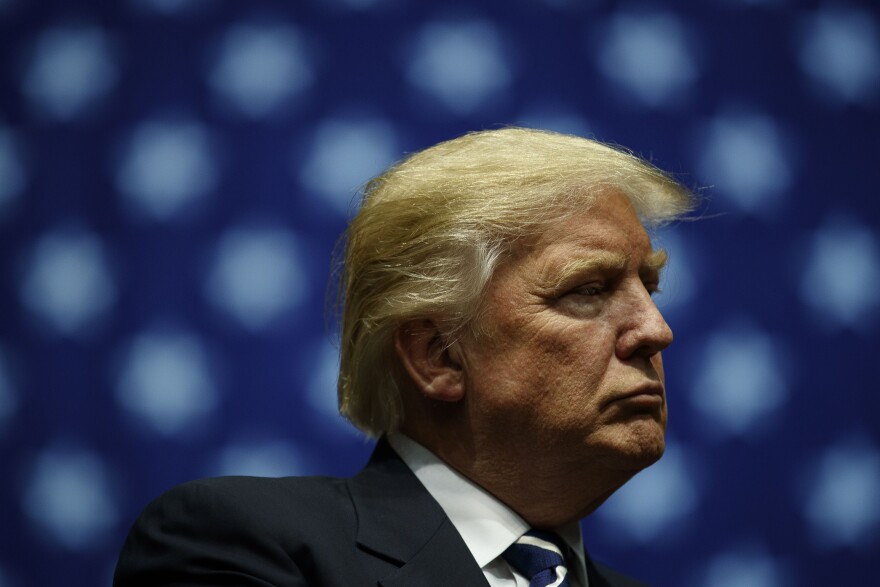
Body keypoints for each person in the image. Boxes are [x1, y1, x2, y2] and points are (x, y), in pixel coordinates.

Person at [113, 127, 694, 586]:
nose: (656, 330)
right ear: (439, 355)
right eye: (588, 290)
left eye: (651, 288)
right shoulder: (243, 548)